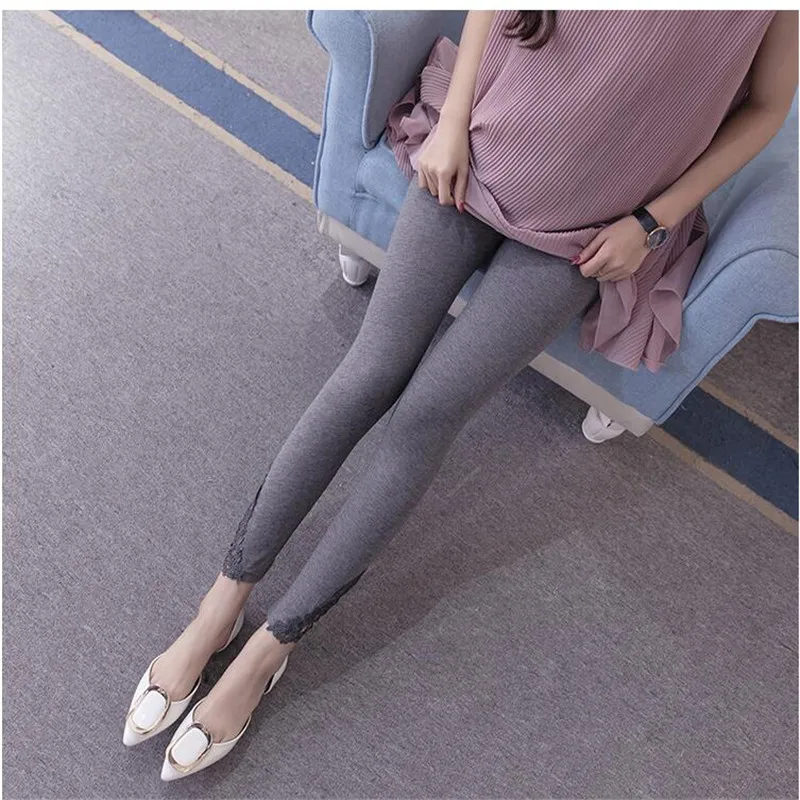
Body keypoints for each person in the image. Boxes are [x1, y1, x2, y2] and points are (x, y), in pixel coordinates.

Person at [123, 10, 797, 780]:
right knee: (369, 372)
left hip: (588, 238)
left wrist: (652, 222)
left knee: (427, 416)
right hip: (477, 153)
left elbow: (766, 108)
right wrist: (451, 128)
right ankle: (220, 606)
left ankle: (270, 650)